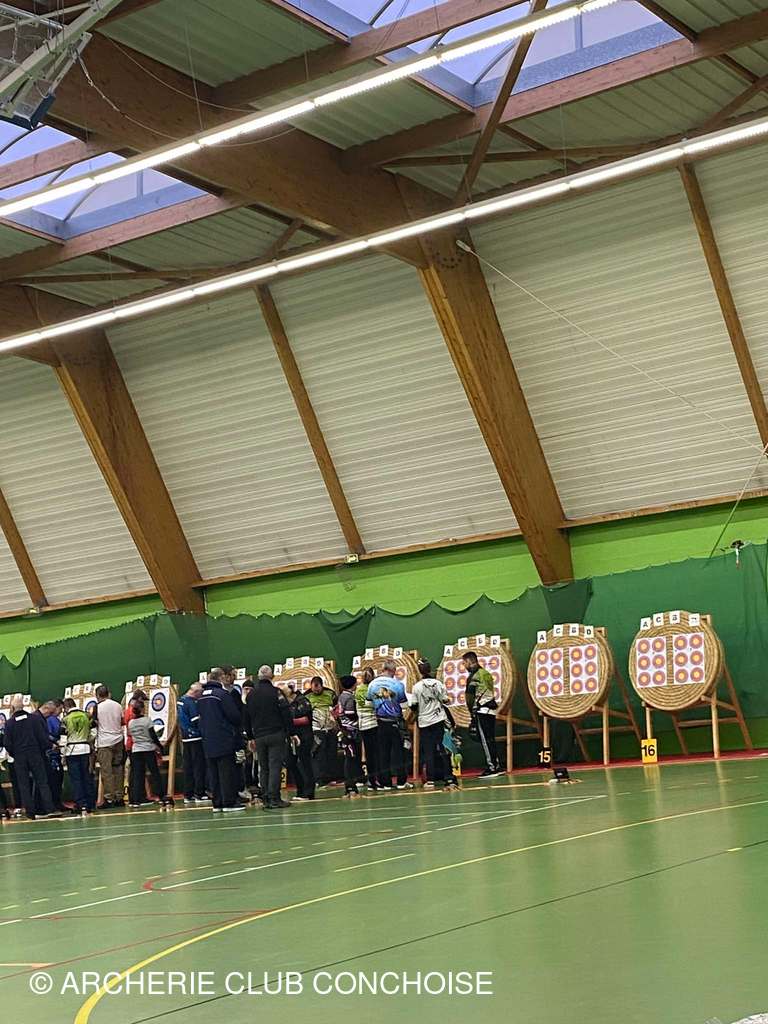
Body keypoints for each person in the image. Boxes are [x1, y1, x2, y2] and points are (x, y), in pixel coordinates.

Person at [198, 668, 244, 813]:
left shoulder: (201, 697)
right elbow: (234, 716)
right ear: (221, 678)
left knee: (213, 773)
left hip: (207, 740)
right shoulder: (222, 695)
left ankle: (217, 803)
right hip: (223, 739)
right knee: (226, 772)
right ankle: (229, 802)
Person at [3, 697, 57, 819]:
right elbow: (42, 738)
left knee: (24, 785)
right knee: (42, 782)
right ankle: (49, 808)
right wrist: (44, 749)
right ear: (23, 706)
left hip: (19, 757)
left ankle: (30, 812)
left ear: (12, 708)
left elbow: (7, 743)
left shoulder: (10, 723)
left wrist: (15, 754)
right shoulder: (34, 719)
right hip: (35, 754)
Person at [246, 666, 291, 810]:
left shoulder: (250, 695)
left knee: (263, 767)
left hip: (259, 736)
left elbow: (246, 717)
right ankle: (274, 798)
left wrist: (250, 736)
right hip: (276, 734)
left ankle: (265, 797)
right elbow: (286, 712)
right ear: (271, 677)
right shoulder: (276, 692)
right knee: (275, 766)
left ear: (258, 677)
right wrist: (289, 732)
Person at [410, 659, 458, 790]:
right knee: (443, 749)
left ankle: (430, 780)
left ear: (419, 671)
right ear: (430, 669)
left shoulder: (416, 687)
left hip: (424, 723)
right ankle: (449, 777)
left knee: (428, 751)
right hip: (438, 720)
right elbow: (445, 700)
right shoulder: (438, 684)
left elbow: (413, 705)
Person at [366, 659, 412, 790]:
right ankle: (401, 782)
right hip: (395, 722)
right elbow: (404, 705)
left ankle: (385, 783)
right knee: (399, 752)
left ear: (382, 669)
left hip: (380, 722)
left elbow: (368, 704)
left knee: (383, 753)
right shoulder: (398, 684)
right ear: (393, 670)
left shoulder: (372, 684)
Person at [462, 651, 502, 777]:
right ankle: (496, 765)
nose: (464, 665)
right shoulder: (486, 673)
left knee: (486, 740)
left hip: (481, 711)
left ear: (469, 661)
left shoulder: (473, 677)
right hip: (491, 711)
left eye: (464, 663)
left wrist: (471, 713)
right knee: (491, 739)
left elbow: (469, 697)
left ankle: (492, 768)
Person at [127, 699, 165, 806]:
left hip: (136, 750)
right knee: (154, 773)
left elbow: (131, 734)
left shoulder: (130, 723)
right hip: (148, 749)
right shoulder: (147, 720)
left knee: (138, 775)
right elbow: (153, 735)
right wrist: (159, 746)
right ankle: (161, 796)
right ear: (143, 709)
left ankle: (136, 799)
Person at [61, 697, 96, 814]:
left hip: (72, 751)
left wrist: (63, 755)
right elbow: (94, 732)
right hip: (85, 749)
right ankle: (91, 804)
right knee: (87, 776)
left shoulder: (65, 719)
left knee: (76, 779)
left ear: (66, 707)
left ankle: (81, 804)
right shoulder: (86, 716)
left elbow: (63, 739)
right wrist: (87, 740)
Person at [177, 682, 210, 805]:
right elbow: (196, 721)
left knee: (188, 767)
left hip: (185, 738)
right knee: (198, 766)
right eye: (200, 693)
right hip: (195, 738)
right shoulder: (191, 703)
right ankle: (199, 793)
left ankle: (188, 794)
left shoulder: (180, 701)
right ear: (196, 692)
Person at [93, 684, 126, 807]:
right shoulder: (118, 705)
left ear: (97, 695)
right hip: (118, 740)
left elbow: (94, 723)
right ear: (109, 694)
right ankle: (119, 797)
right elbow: (122, 721)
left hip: (104, 743)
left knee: (107, 771)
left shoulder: (97, 707)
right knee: (118, 769)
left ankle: (109, 798)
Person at [282, 682, 315, 802]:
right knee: (290, 762)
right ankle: (300, 789)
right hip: (292, 737)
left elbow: (306, 719)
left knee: (305, 763)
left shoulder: (303, 701)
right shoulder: (288, 705)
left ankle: (308, 792)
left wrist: (289, 722)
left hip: (304, 736)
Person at [306, 676, 339, 786]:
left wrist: (336, 722)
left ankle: (331, 777)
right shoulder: (307, 696)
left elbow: (336, 708)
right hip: (316, 730)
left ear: (322, 685)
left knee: (331, 753)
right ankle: (319, 779)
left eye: (318, 688)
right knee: (319, 754)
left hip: (330, 729)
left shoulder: (330, 694)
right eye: (314, 689)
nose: (316, 690)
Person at [337, 675, 363, 798]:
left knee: (350, 759)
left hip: (345, 730)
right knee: (351, 759)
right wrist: (359, 717)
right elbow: (350, 714)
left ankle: (351, 788)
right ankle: (351, 788)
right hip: (350, 731)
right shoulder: (349, 697)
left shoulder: (341, 696)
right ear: (353, 685)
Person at [356, 667, 381, 791]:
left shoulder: (358, 690)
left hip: (363, 725)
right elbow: (376, 704)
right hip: (373, 724)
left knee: (369, 754)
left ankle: (371, 782)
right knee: (376, 754)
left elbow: (361, 705)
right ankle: (377, 780)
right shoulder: (373, 688)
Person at [38, 700, 65, 811]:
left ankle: (57, 802)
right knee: (54, 781)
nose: (61, 711)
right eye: (60, 709)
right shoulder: (50, 720)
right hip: (51, 755)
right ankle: (54, 803)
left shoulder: (53, 719)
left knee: (57, 780)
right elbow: (47, 735)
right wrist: (55, 742)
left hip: (55, 753)